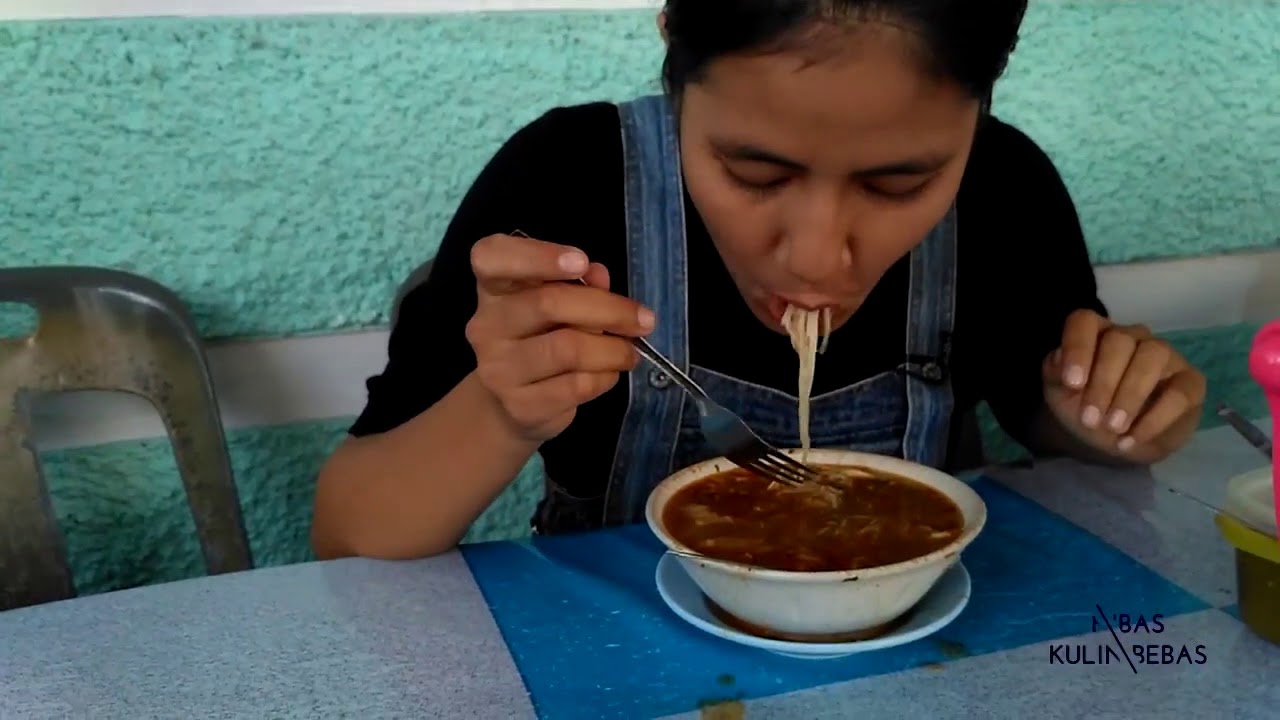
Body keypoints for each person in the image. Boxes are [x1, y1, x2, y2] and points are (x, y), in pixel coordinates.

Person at [310, 0, 1207, 561]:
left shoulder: (1006, 193)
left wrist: (1107, 416)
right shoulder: (565, 184)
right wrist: (503, 408)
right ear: (674, 49)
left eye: (899, 184)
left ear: (984, 101)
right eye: (755, 175)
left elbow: (1053, 428)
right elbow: (350, 538)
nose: (818, 258)